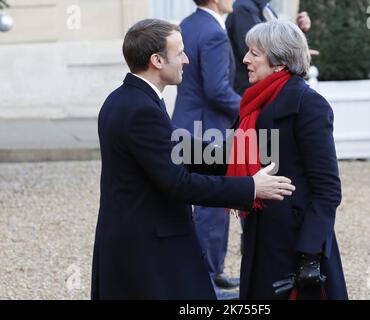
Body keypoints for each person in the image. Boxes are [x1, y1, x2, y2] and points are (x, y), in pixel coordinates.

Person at [91, 18, 295, 300]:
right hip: (146, 249)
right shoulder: (140, 109)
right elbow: (178, 183)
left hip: (138, 239)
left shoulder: (126, 98)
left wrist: (246, 154)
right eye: (180, 53)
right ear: (157, 60)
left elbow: (180, 148)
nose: (187, 60)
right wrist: (250, 187)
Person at [225, 20, 347, 300]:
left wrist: (310, 254)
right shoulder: (254, 103)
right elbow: (231, 155)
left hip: (297, 244)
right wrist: (178, 152)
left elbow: (328, 190)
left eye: (254, 53)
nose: (245, 59)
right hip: (260, 233)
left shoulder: (308, 105)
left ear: (279, 61)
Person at [172, 0, 241, 298]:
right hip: (207, 128)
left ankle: (213, 271)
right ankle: (208, 279)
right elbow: (217, 90)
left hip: (187, 122)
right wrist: (253, 108)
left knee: (202, 204)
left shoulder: (187, 25)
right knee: (212, 205)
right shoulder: (214, 32)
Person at [225, 0, 312, 95]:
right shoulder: (243, 8)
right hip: (250, 91)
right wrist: (292, 51)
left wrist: (298, 35)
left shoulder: (265, 7)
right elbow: (257, 50)